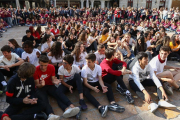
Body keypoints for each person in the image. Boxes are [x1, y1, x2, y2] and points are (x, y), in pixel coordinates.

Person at [82, 53, 125, 117]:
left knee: (108, 86)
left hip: (96, 82)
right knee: (85, 92)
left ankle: (113, 103)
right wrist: (93, 88)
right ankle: (100, 107)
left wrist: (102, 86)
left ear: (94, 61)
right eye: (86, 62)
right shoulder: (84, 69)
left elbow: (100, 79)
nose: (87, 64)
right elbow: (85, 83)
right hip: (88, 83)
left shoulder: (98, 67)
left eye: (89, 62)